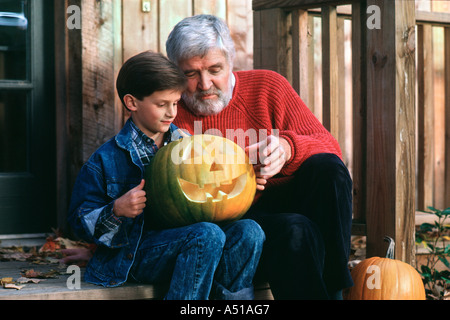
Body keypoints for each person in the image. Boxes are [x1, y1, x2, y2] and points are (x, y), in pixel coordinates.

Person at [166, 14, 354, 300]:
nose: (205, 84)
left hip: (286, 196)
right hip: (236, 225)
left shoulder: (268, 86)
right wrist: (243, 184)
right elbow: (171, 198)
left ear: (231, 61)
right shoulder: (171, 113)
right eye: (191, 74)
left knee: (329, 169)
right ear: (175, 72)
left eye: (215, 69)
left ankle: (335, 290)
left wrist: (288, 148)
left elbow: (329, 145)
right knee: (295, 230)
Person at [67, 51, 265, 300]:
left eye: (175, 103)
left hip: (190, 246)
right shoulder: (105, 160)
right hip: (136, 255)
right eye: (162, 105)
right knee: (206, 234)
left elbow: (212, 193)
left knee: (249, 231)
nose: (172, 112)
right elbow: (78, 223)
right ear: (132, 103)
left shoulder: (188, 145)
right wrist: (116, 209)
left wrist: (245, 180)